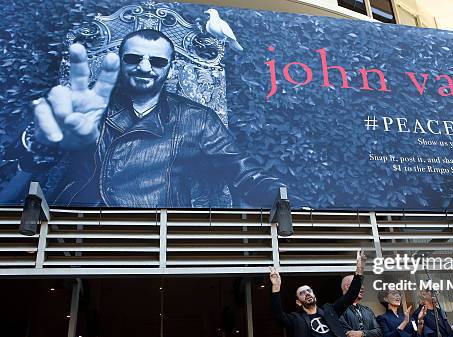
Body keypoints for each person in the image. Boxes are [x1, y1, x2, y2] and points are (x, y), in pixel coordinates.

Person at [17, 29, 283, 207]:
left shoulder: (197, 118)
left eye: (156, 62)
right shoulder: (87, 107)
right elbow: (22, 176)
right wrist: (41, 141)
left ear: (171, 67)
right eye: (134, 58)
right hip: (78, 232)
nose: (144, 67)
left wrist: (281, 199)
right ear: (120, 61)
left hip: (158, 236)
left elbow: (243, 173)